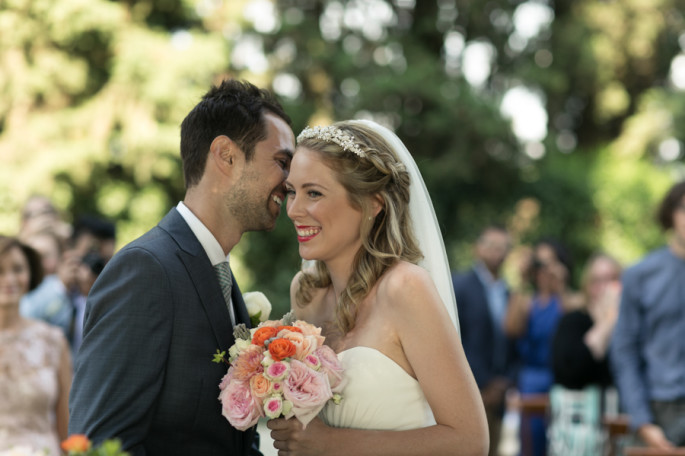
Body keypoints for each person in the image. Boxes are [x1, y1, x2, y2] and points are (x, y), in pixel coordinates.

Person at [68, 79, 295, 455]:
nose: (290, 184)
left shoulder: (221, 277)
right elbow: (102, 444)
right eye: (282, 162)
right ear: (226, 155)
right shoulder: (146, 271)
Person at [267, 120, 488, 455]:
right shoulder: (306, 294)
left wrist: (330, 443)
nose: (294, 210)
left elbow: (470, 441)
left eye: (314, 193)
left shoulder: (405, 289)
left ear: (373, 203)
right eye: (292, 192)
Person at [610, 180, 685, 449]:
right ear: (670, 214)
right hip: (658, 409)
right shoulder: (641, 274)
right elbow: (624, 349)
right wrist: (642, 421)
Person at [504, 238, 578, 456]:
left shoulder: (569, 299)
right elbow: (511, 328)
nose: (544, 270)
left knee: (563, 443)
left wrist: (560, 285)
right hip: (531, 379)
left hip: (561, 381)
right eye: (540, 263)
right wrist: (522, 279)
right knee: (530, 443)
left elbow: (573, 324)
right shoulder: (528, 301)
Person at [0, 235, 72, 455]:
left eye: (18, 269)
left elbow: (66, 428)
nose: (10, 279)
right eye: (0, 270)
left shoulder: (53, 340)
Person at [548, 253, 622, 456]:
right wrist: (605, 323)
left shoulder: (629, 325)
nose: (604, 287)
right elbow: (568, 371)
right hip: (577, 432)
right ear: (587, 285)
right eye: (597, 280)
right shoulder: (573, 320)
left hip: (616, 428)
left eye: (611, 279)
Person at [453, 225, 518, 456]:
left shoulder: (510, 293)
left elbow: (512, 343)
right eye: (491, 246)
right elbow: (456, 339)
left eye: (503, 248)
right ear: (478, 248)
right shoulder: (459, 287)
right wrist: (484, 382)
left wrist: (504, 381)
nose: (496, 252)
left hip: (500, 392)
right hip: (469, 388)